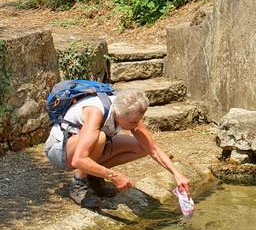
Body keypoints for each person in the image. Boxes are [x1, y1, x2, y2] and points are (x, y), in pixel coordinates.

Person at [44, 88, 190, 208]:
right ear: (119, 115)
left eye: (139, 120)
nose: (137, 125)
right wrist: (114, 176)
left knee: (142, 147)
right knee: (99, 138)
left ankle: (93, 176)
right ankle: (78, 184)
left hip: (87, 148)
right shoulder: (96, 112)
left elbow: (153, 149)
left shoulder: (129, 112)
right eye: (133, 122)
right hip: (59, 150)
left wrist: (177, 174)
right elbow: (78, 160)